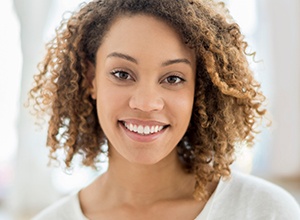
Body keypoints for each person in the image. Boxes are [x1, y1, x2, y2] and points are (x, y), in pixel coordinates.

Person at [29, 0, 300, 219]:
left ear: (199, 89)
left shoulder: (265, 211)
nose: (146, 103)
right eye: (122, 74)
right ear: (91, 80)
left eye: (173, 79)